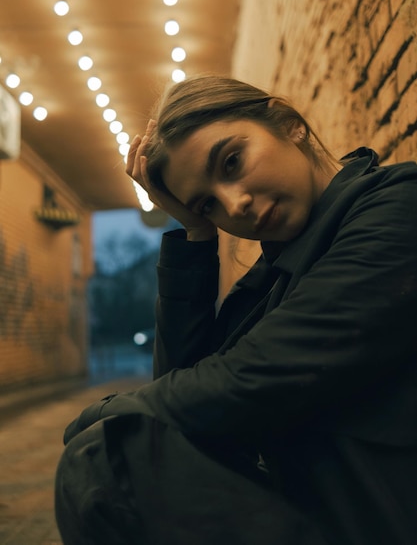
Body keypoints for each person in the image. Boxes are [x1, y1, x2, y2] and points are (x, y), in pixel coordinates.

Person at [55, 75, 417, 545]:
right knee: (116, 455)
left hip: (380, 521)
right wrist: (195, 234)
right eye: (207, 204)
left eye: (232, 162)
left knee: (108, 457)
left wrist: (101, 414)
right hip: (318, 513)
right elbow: (182, 412)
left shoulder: (397, 207)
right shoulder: (268, 280)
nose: (235, 203)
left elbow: (250, 380)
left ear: (290, 125)